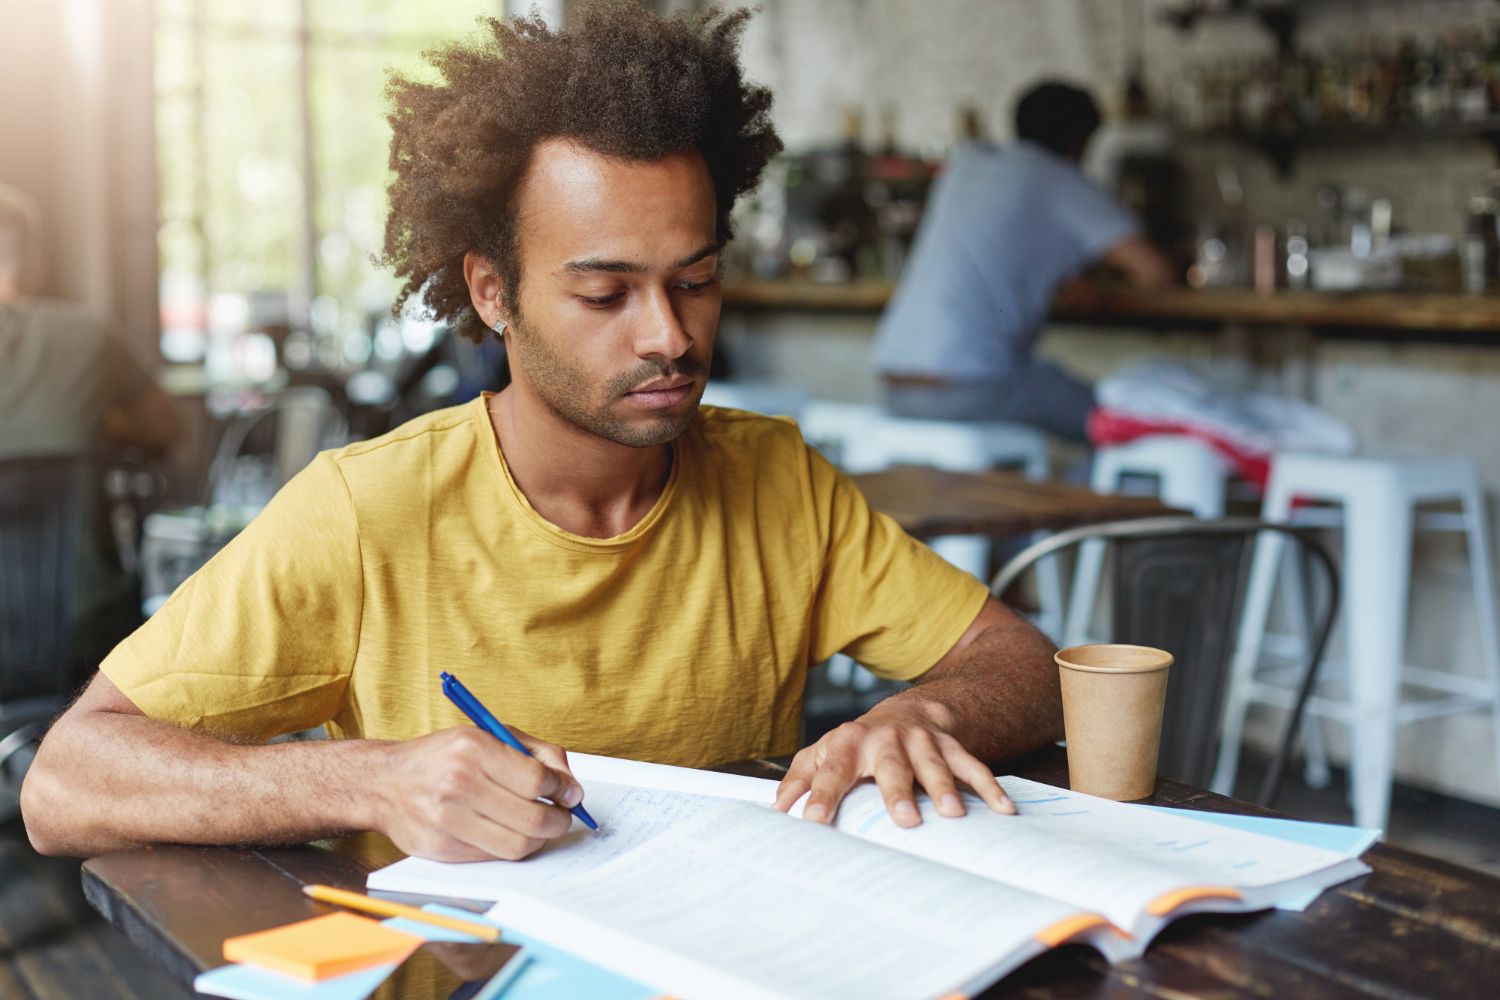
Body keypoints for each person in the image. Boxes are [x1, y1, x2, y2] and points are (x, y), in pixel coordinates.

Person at [22, 1, 1062, 864]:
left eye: (695, 282)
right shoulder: (368, 510)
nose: (669, 334)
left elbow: (1021, 660)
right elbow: (65, 781)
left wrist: (925, 716)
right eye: (606, 292)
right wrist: (372, 777)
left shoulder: (773, 480)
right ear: (493, 293)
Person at [872, 82, 1175, 443]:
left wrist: (1063, 277)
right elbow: (1157, 273)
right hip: (969, 385)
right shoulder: (1060, 179)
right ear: (1081, 141)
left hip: (892, 382)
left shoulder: (968, 163)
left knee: (1052, 393)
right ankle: (1090, 497)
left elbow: (997, 244)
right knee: (1118, 424)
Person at [0, 183, 181, 670]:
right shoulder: (86, 334)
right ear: (37, 268)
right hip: (82, 628)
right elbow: (167, 428)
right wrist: (100, 424)